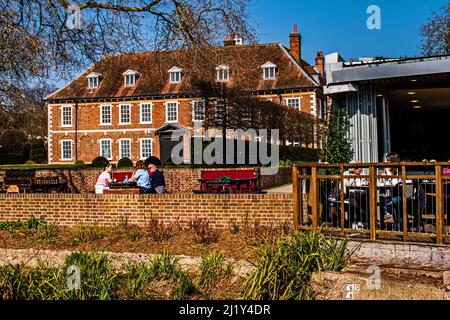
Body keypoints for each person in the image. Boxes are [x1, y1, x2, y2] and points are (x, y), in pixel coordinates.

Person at [380, 152, 403, 231]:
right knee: (383, 202)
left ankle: (399, 225)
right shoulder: (386, 172)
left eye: (388, 160)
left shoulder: (398, 172)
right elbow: (382, 184)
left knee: (391, 203)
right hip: (390, 196)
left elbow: (394, 184)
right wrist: (384, 174)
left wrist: (388, 173)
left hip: (399, 196)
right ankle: (398, 225)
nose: (386, 162)